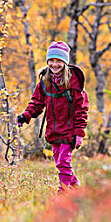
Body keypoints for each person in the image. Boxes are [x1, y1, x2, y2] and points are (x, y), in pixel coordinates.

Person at [17, 41, 89, 192]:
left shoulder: (74, 82)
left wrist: (79, 133)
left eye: (59, 61)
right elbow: (37, 102)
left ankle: (63, 192)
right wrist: (26, 116)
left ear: (65, 62)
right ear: (47, 61)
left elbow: (81, 109)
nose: (54, 64)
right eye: (51, 60)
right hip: (53, 130)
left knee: (63, 162)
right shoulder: (44, 81)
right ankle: (77, 188)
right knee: (60, 163)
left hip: (69, 130)